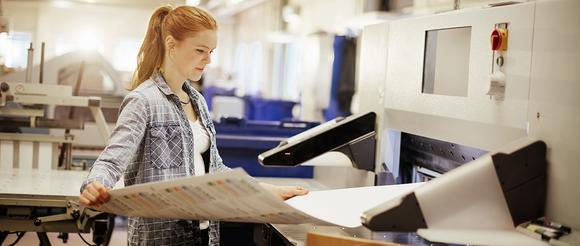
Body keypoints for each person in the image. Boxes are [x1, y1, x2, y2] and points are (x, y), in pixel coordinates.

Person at [79, 5, 308, 246]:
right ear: (171, 44)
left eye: (211, 51)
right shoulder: (143, 101)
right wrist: (95, 185)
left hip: (205, 235)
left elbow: (216, 169)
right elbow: (112, 160)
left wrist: (266, 190)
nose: (208, 60)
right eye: (200, 50)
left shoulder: (198, 101)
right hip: (161, 238)